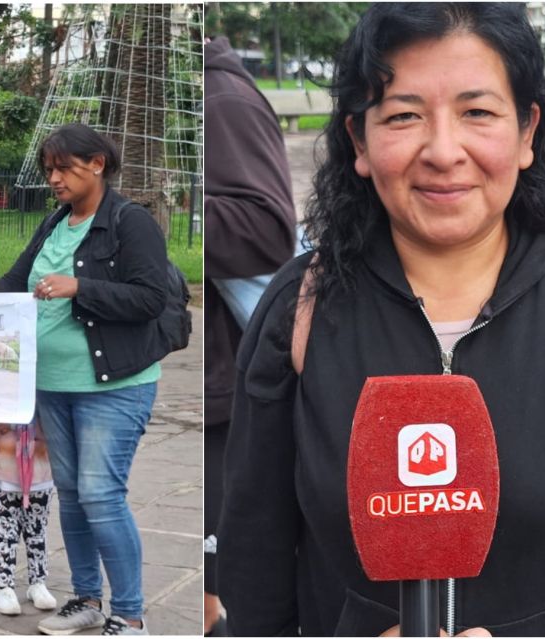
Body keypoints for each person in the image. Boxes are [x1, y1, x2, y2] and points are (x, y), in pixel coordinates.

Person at [217, 4, 545, 637]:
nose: (443, 151)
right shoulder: (300, 309)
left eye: (477, 112)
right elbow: (254, 557)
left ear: (527, 131)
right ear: (359, 142)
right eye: (403, 116)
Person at [0, 123, 168, 636]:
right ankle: (86, 600)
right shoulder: (55, 223)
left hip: (114, 386)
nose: (54, 178)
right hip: (51, 386)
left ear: (97, 164)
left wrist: (81, 286)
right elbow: (16, 286)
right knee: (74, 494)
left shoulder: (130, 222)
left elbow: (151, 299)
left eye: (64, 168)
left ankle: (129, 614)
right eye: (50, 169)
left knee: (102, 494)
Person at [202, 35, 297, 637]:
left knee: (217, 600)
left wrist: (176, 206)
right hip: (208, 384)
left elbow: (269, 229)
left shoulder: (222, 98)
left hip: (224, 389)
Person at [0, 420, 58, 616]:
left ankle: (38, 582)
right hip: (3, 475)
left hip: (41, 472)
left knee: (37, 530)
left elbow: (57, 422)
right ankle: (5, 587)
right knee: (5, 532)